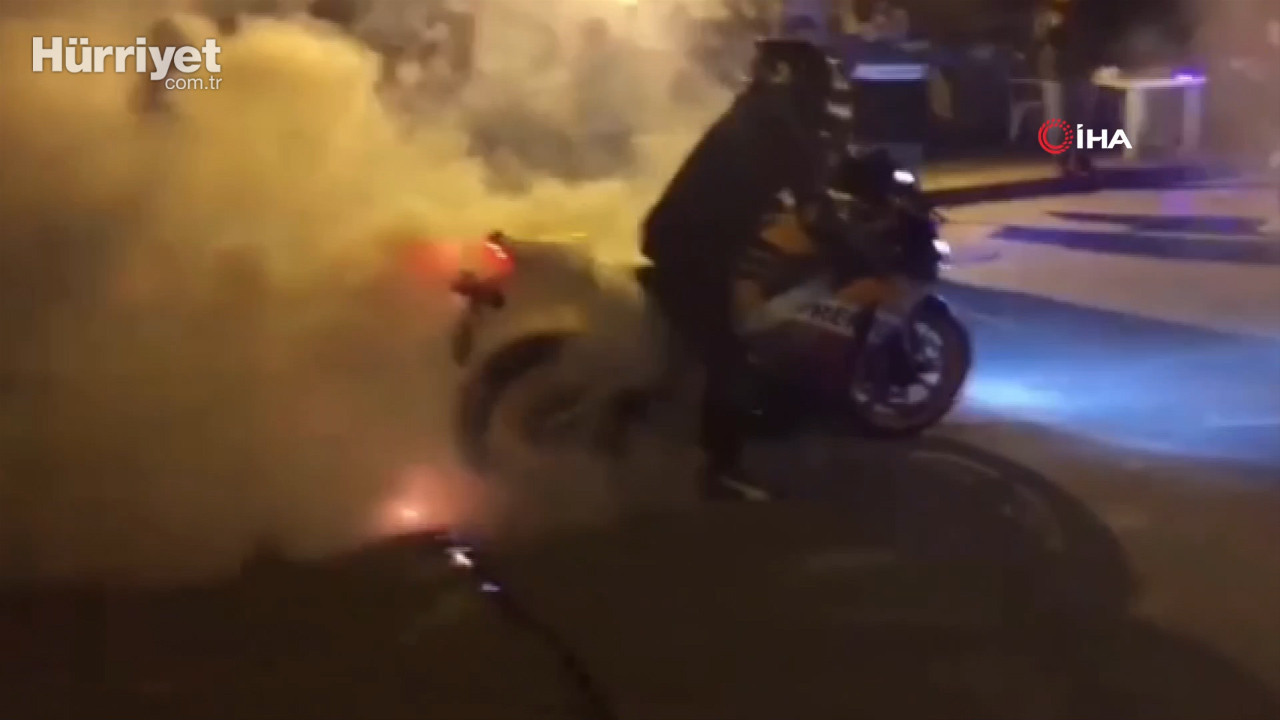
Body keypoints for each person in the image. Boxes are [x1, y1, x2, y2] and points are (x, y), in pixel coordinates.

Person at [640, 38, 888, 498]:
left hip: (678, 234)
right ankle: (722, 472)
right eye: (820, 84)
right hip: (695, 248)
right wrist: (858, 261)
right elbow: (814, 209)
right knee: (731, 360)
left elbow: (798, 176)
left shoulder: (754, 113)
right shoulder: (781, 129)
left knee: (710, 333)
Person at [1043, 0, 1099, 181]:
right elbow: (1053, 41)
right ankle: (1061, 161)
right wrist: (1059, 23)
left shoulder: (1081, 20)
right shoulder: (1050, 20)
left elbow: (1088, 44)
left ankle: (1081, 158)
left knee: (1082, 120)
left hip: (1080, 73)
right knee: (1060, 121)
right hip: (1059, 76)